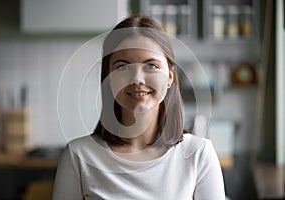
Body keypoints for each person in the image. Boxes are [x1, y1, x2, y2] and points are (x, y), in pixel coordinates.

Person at [53, 15, 225, 200]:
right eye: (122, 67)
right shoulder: (78, 155)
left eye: (151, 65)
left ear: (169, 76)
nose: (137, 79)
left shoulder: (198, 154)